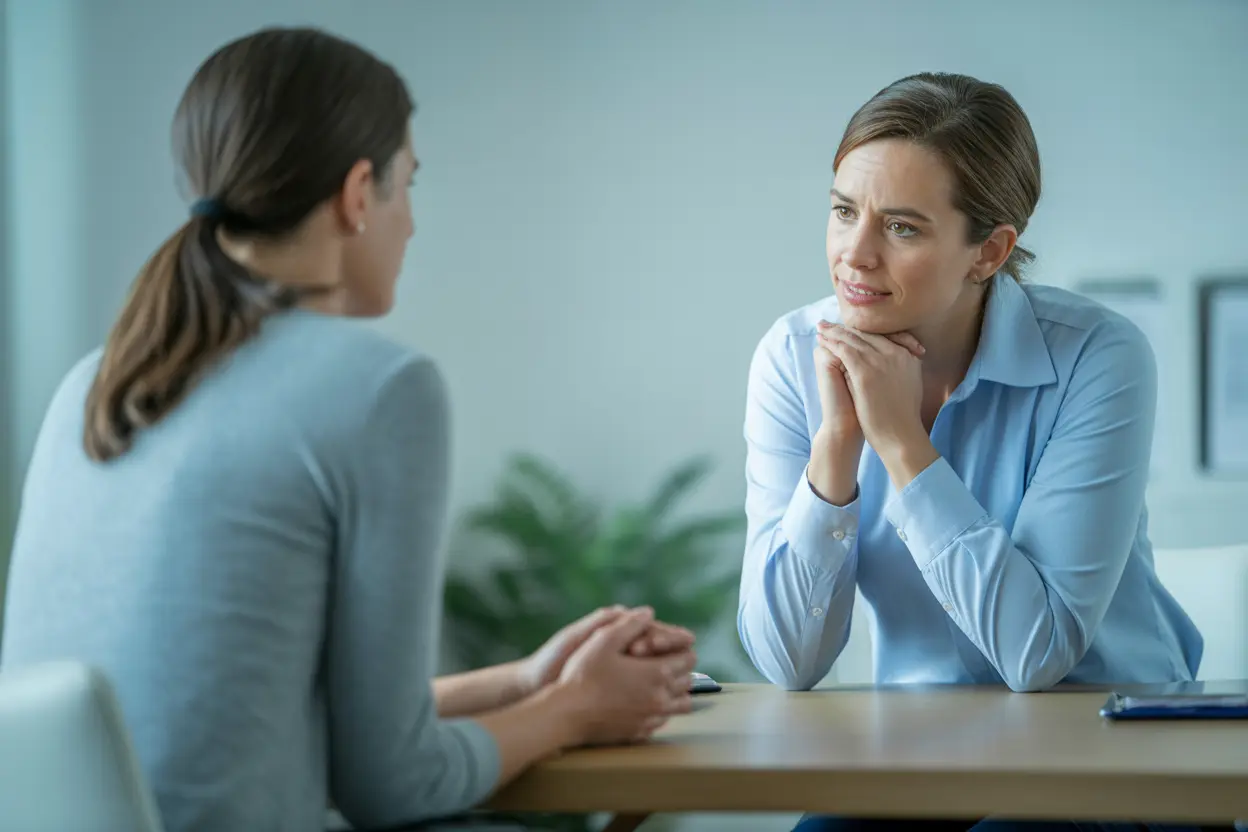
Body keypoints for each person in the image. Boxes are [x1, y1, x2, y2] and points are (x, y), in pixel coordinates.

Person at [0, 27, 697, 832]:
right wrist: (574, 711)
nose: (411, 224)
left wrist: (523, 683)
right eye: (408, 184)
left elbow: (263, 718)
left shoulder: (94, 382)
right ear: (358, 193)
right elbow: (393, 784)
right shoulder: (379, 391)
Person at [737, 72, 1212, 831]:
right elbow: (788, 662)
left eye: (902, 228)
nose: (854, 255)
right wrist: (835, 448)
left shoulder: (1098, 357)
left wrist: (900, 442)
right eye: (842, 211)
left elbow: (1036, 655)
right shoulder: (792, 355)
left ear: (989, 252)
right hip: (926, 756)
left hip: (1115, 754)